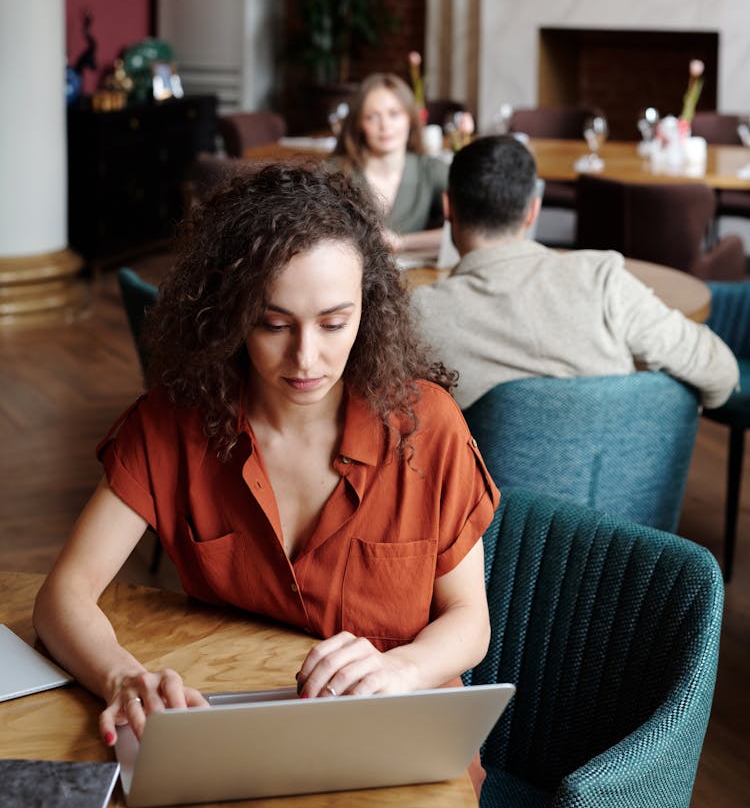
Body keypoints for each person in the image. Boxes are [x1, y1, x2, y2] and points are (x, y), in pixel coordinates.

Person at [33, 163, 498, 754]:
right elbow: (63, 596)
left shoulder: (425, 427)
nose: (307, 359)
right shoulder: (176, 421)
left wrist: (404, 668)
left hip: (398, 725)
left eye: (334, 323)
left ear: (368, 307)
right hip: (236, 728)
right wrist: (121, 676)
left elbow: (470, 623)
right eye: (273, 324)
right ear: (230, 315)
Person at [410, 135, 739, 411]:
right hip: (623, 486)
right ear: (532, 211)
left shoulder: (420, 315)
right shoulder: (601, 281)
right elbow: (721, 372)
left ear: (448, 207)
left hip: (489, 489)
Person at [331, 72, 448, 254]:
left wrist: (404, 242)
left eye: (394, 114)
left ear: (410, 118)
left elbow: (479, 225)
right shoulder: (334, 172)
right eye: (372, 117)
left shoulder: (431, 169)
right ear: (359, 124)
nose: (385, 126)